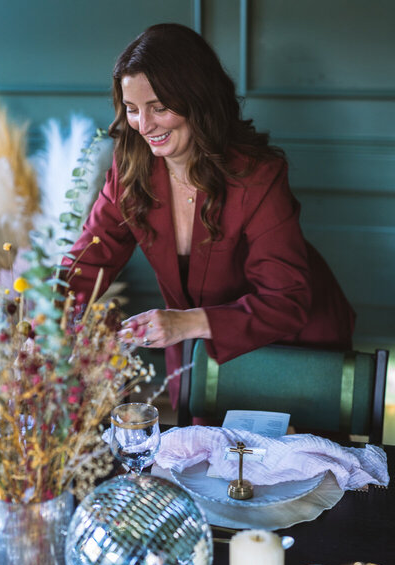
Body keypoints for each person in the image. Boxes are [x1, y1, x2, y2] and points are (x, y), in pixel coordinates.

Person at [63, 23, 355, 411]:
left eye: (159, 108)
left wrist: (186, 324)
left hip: (293, 346)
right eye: (132, 110)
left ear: (196, 99)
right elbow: (87, 264)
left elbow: (286, 301)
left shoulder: (257, 174)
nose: (144, 126)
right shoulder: (130, 167)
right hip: (194, 353)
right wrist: (41, 323)